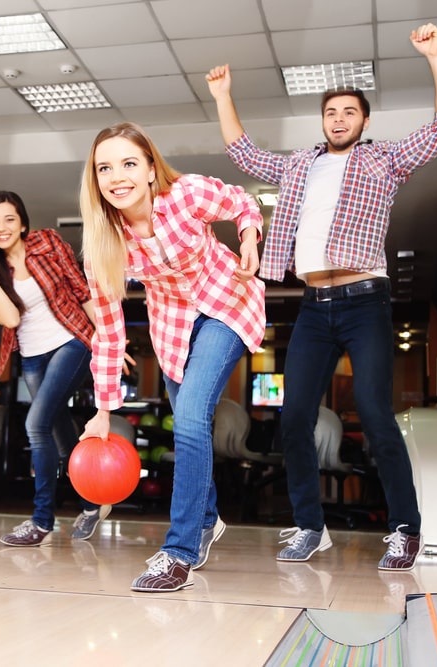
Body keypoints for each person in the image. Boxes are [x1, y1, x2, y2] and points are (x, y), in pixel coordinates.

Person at [206, 23, 437, 571]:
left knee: (373, 412)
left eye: (349, 112)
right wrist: (224, 96)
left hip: (366, 300)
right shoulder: (301, 164)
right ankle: (309, 526)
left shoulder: (383, 159)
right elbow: (245, 155)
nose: (339, 119)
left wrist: (435, 57)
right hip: (314, 308)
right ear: (322, 122)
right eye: (331, 113)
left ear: (364, 120)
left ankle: (404, 528)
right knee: (292, 415)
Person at [78, 122, 265, 592]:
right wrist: (103, 410)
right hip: (173, 329)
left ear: (148, 168)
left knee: (188, 421)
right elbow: (108, 330)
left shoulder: (185, 195)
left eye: (128, 164)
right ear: (95, 179)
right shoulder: (105, 242)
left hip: (226, 303)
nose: (117, 176)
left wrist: (247, 237)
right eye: (105, 168)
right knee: (189, 421)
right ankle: (205, 522)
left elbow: (241, 200)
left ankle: (178, 552)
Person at [0, 190, 110, 547]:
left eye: (9, 219)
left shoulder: (48, 242)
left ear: (23, 223)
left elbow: (80, 289)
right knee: (59, 434)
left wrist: (108, 340)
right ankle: (91, 503)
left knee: (36, 424)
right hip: (32, 356)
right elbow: (9, 318)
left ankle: (42, 521)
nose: (1, 227)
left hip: (71, 341)